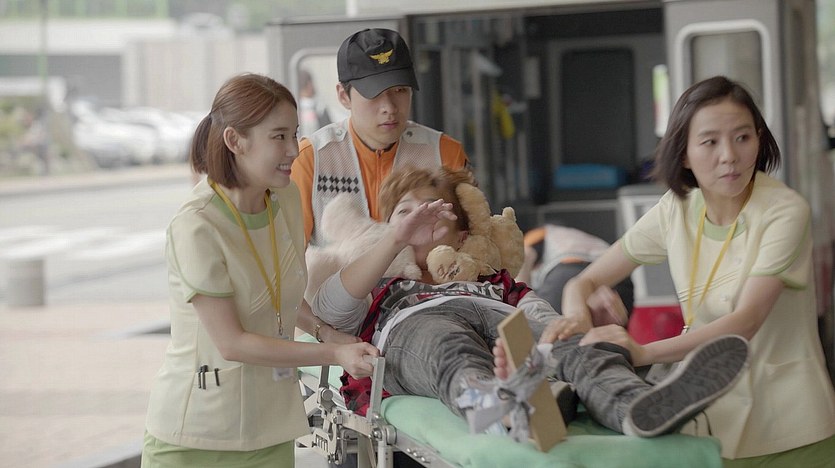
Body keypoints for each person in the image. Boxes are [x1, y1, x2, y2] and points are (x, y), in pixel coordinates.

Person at [311, 165, 750, 441]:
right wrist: (394, 240)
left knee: (574, 346)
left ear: (462, 234)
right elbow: (330, 310)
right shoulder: (382, 287)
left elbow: (543, 317)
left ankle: (636, 405)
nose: (419, 217)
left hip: (501, 321)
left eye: (433, 209)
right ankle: (502, 408)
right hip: (416, 327)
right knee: (446, 346)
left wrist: (571, 333)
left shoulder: (497, 283)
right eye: (405, 211)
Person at [546, 76, 835, 466]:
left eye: (742, 137)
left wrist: (642, 352)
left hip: (789, 427)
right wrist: (578, 319)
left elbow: (746, 321)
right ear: (683, 154)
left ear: (760, 140)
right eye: (710, 142)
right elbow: (586, 280)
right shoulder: (677, 208)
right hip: (713, 424)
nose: (729, 156)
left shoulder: (784, 211)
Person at [141, 73, 379, 468]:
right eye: (279, 136)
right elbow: (231, 343)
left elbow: (279, 295)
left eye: (295, 134)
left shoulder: (285, 198)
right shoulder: (197, 224)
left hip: (270, 428)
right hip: (197, 436)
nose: (294, 150)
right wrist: (335, 352)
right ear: (235, 141)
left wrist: (325, 330)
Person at [290, 28, 469, 246]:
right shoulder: (311, 159)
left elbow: (473, 242)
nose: (390, 107)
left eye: (400, 90)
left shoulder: (444, 152)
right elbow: (291, 254)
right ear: (343, 96)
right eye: (373, 93)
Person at [516, 224, 635, 327]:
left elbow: (523, 259)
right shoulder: (570, 234)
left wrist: (518, 301)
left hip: (573, 268)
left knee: (543, 327)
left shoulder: (533, 235)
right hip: (619, 280)